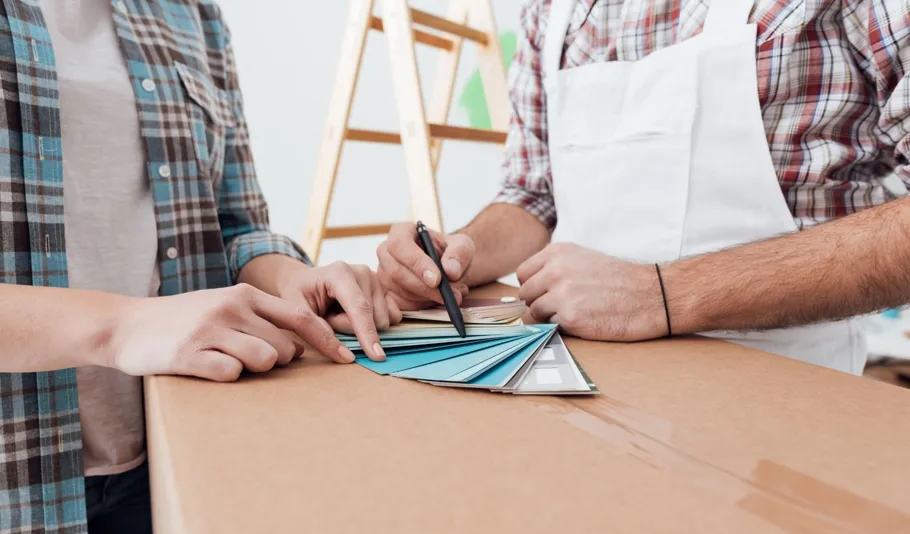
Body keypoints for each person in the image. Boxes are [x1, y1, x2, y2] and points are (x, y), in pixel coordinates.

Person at [0, 1, 397, 534]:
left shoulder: (194, 16)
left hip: (177, 461)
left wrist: (285, 277)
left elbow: (232, 224)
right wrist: (121, 327)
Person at [377, 0, 910, 377]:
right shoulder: (550, 10)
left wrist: (663, 294)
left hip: (783, 398)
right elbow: (533, 195)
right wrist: (458, 257)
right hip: (581, 391)